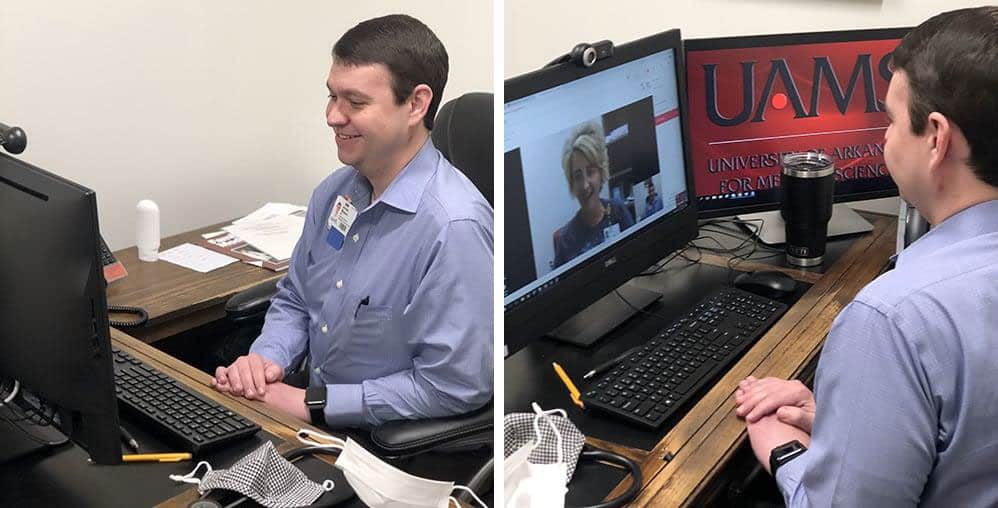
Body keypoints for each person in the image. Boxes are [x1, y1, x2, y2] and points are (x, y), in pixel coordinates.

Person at [734, 7, 998, 506]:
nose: (884, 136)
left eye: (892, 119)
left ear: (937, 139)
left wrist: (785, 451)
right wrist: (849, 422)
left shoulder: (893, 320)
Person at [211, 14, 493, 428]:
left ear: (416, 104)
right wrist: (265, 360)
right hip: (300, 409)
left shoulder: (453, 228)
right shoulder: (336, 192)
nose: (332, 116)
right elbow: (296, 297)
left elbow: (454, 385)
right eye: (332, 97)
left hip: (379, 444)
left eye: (355, 103)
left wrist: (313, 405)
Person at [552, 121, 635, 268]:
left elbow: (638, 251)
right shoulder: (565, 240)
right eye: (578, 177)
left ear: (601, 173)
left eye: (590, 172)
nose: (585, 185)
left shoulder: (618, 211)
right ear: (572, 183)